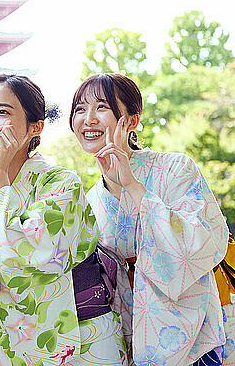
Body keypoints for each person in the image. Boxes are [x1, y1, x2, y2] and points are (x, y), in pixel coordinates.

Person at [0, 75, 126, 366]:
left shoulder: (62, 184)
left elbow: (18, 257)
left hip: (85, 338)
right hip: (4, 345)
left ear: (35, 126)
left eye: (2, 112)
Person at [69, 73, 232, 366]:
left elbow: (205, 242)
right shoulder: (89, 199)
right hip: (128, 337)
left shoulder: (175, 168)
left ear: (131, 120)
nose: (88, 119)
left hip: (190, 334)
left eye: (101, 107)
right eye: (80, 109)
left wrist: (132, 185)